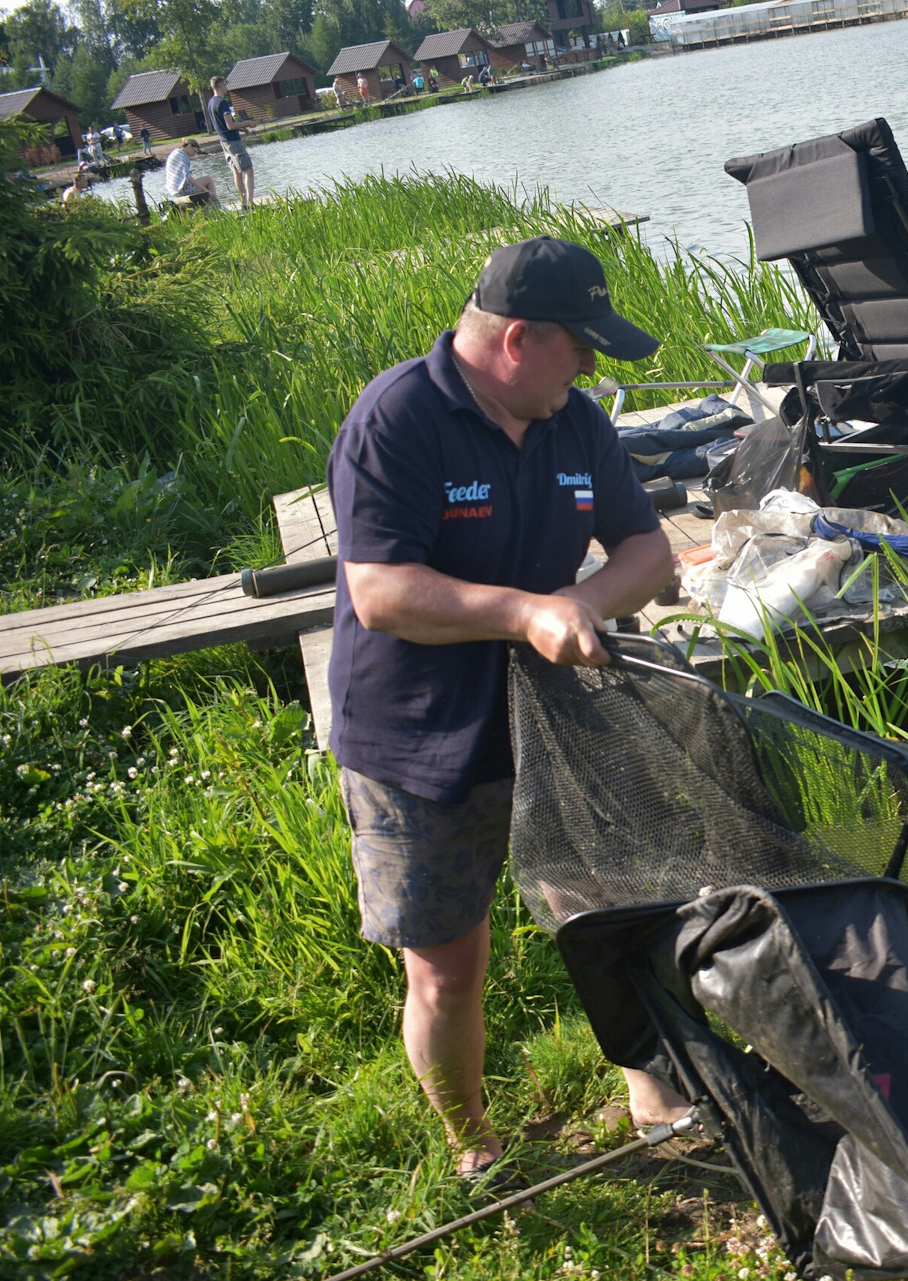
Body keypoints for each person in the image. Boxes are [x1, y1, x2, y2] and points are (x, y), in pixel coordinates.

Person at [326, 237, 679, 1185]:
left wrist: (584, 607)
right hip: (417, 737)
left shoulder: (573, 422)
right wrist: (528, 612)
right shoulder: (398, 417)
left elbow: (651, 553)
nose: (597, 367)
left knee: (614, 908)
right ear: (518, 339)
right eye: (585, 346)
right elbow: (380, 592)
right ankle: (473, 1136)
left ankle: (650, 1084)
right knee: (448, 963)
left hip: (557, 718)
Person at [205, 76, 255, 211]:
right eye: (225, 84)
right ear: (220, 86)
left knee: (236, 172)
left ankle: (244, 202)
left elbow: (221, 125)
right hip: (233, 142)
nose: (227, 87)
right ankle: (250, 204)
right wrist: (248, 123)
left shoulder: (211, 103)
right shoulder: (222, 103)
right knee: (248, 170)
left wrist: (241, 128)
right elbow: (229, 125)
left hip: (224, 142)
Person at [163, 140, 219, 208]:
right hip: (182, 191)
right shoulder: (180, 156)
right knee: (208, 179)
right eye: (195, 151)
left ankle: (209, 205)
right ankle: (216, 204)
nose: (194, 154)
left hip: (175, 191)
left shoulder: (175, 153)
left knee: (203, 183)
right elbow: (188, 177)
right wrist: (205, 190)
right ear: (190, 146)